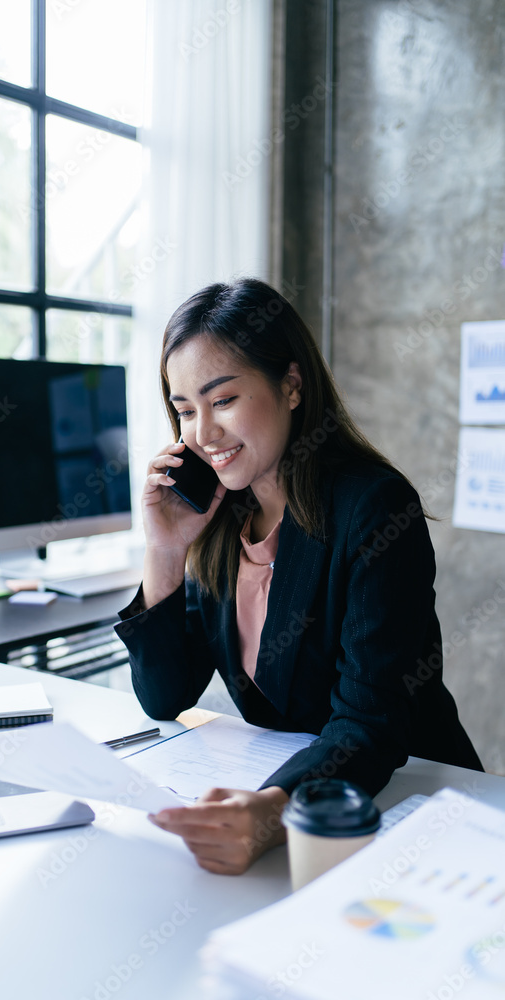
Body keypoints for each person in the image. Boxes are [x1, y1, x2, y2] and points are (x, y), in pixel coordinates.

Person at [114, 277, 482, 876]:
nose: (202, 434)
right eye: (184, 410)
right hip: (286, 797)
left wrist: (272, 813)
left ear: (290, 385)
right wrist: (163, 551)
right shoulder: (217, 518)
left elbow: (367, 726)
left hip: (406, 804)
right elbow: (165, 698)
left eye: (223, 400)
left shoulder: (375, 508)